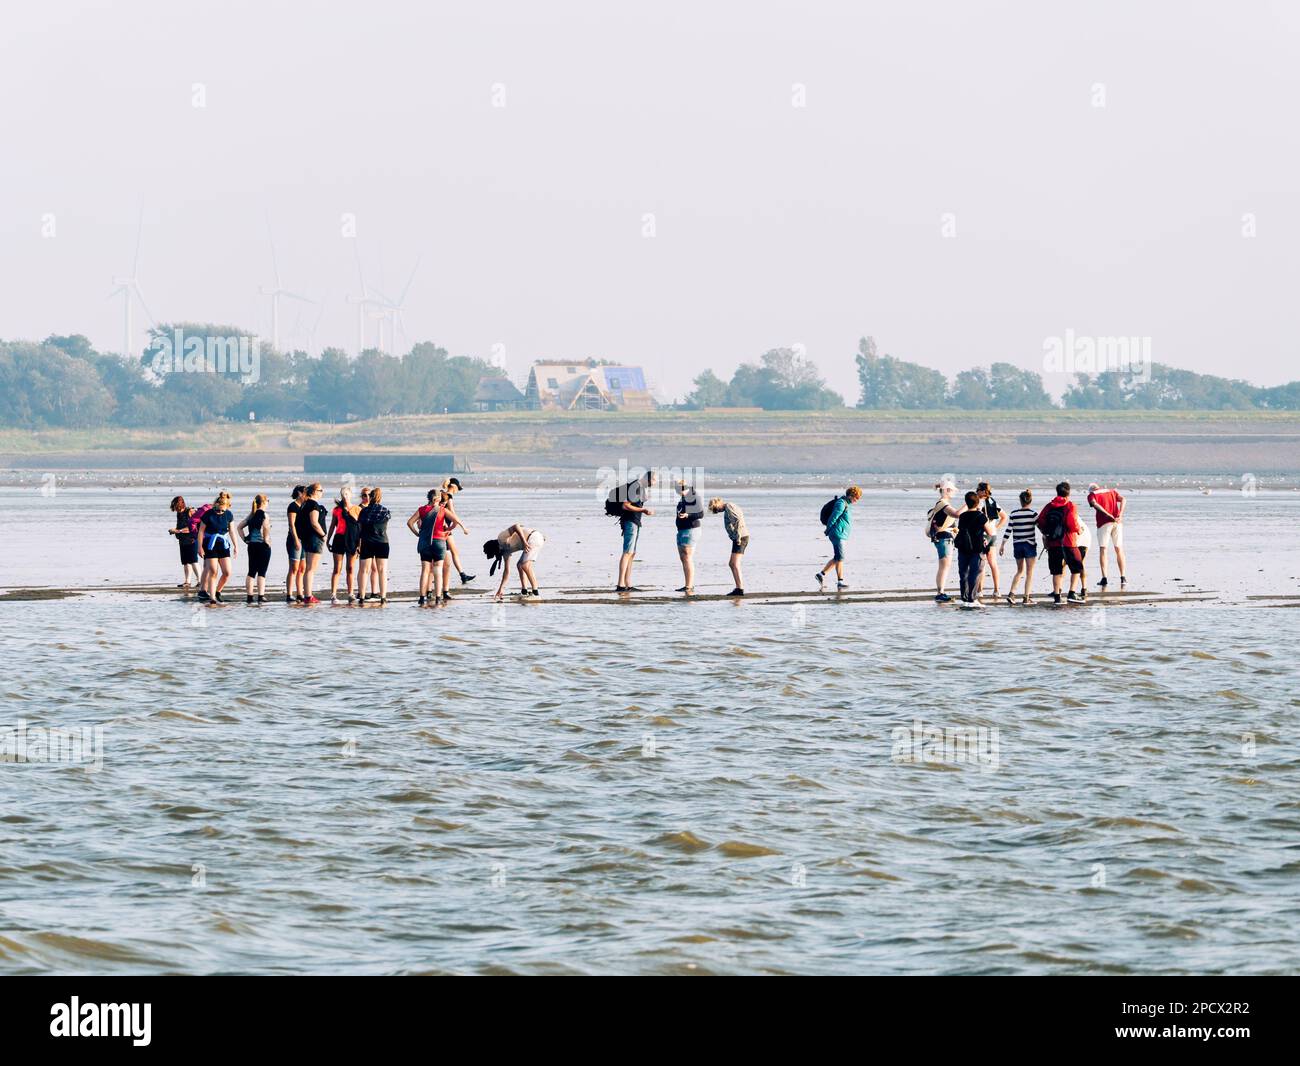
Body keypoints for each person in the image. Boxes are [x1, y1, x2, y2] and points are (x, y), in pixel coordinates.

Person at [1036, 481, 1086, 605]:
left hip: (1053, 543)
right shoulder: (1070, 506)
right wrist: (1079, 530)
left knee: (1056, 571)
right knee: (1077, 568)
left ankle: (1057, 597)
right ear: (1068, 493)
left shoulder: (1049, 506)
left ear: (1057, 492)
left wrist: (1046, 533)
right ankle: (1072, 593)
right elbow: (1071, 523)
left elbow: (1040, 521)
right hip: (1069, 542)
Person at [613, 469, 655, 592]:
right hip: (630, 522)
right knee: (627, 552)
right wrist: (643, 510)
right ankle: (620, 585)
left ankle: (627, 584)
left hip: (635, 522)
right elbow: (625, 505)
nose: (655, 482)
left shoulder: (639, 487)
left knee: (632, 553)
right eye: (654, 480)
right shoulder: (636, 486)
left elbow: (634, 502)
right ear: (648, 479)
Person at [954, 490, 995, 606]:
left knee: (963, 573)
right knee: (975, 572)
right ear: (977, 503)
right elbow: (990, 532)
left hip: (963, 547)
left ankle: (964, 597)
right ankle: (972, 598)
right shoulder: (980, 516)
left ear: (966, 503)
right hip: (977, 548)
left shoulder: (962, 516)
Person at [816, 485, 861, 590]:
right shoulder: (841, 503)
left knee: (838, 557)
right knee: (840, 557)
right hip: (837, 534)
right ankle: (840, 581)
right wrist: (828, 530)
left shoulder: (846, 504)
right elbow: (833, 517)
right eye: (856, 498)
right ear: (851, 495)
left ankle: (821, 575)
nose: (857, 500)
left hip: (842, 534)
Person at [486, 523, 546, 600]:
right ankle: (524, 592)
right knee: (519, 565)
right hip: (532, 540)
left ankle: (536, 594)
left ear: (494, 548)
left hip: (534, 538)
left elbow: (516, 526)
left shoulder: (501, 538)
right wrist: (501, 589)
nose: (496, 556)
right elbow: (506, 571)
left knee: (525, 565)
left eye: (494, 554)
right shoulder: (504, 551)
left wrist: (524, 542)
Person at [197, 491, 238, 604]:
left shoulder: (229, 515)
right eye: (217, 510)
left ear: (227, 507)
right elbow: (201, 532)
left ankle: (217, 591)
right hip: (210, 545)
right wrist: (199, 547)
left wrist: (236, 546)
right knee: (213, 571)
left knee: (227, 572)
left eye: (222, 511)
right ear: (215, 505)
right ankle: (213, 598)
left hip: (223, 545)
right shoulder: (208, 514)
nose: (220, 512)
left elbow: (232, 531)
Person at [999, 489, 1038, 605]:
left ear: (1020, 501)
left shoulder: (1014, 514)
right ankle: (1026, 597)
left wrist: (1002, 545)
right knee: (1029, 572)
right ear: (1030, 501)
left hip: (1017, 545)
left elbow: (1008, 530)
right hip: (1029, 545)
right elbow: (1041, 528)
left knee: (1019, 570)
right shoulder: (1033, 514)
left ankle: (1012, 594)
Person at [1086, 482, 1127, 588]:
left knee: (1103, 549)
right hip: (1117, 522)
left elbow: (1094, 504)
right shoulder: (1111, 491)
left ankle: (1104, 578)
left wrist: (1107, 514)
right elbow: (1123, 499)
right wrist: (1120, 514)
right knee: (1119, 548)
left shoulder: (1092, 495)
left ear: (1090, 490)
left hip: (1104, 523)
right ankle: (1123, 577)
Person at [327, 485, 361, 605]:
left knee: (350, 568)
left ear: (351, 495)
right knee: (337, 568)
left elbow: (360, 529)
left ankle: (351, 593)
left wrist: (359, 545)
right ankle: (333, 594)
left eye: (347, 494)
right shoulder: (337, 510)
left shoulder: (357, 509)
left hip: (352, 540)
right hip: (339, 539)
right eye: (343, 495)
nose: (345, 497)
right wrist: (328, 539)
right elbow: (332, 526)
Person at [356, 486, 391, 604]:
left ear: (370, 497)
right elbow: (385, 522)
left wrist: (358, 542)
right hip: (382, 542)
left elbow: (359, 528)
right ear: (380, 498)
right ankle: (383, 597)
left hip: (367, 542)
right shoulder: (385, 511)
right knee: (382, 570)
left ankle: (361, 596)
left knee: (363, 570)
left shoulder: (364, 511)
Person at [925, 481, 959, 602]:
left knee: (944, 565)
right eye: (952, 490)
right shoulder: (943, 504)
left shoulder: (941, 504)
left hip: (943, 537)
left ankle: (941, 592)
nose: (954, 493)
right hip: (944, 538)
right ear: (947, 490)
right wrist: (969, 505)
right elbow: (956, 514)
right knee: (944, 566)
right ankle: (940, 593)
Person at [708, 497, 748, 597]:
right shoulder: (729, 507)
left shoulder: (729, 506)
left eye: (715, 509)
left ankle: (740, 589)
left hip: (741, 537)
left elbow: (737, 519)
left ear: (718, 503)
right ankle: (739, 588)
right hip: (741, 537)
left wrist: (737, 537)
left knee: (733, 564)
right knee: (733, 564)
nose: (717, 511)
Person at [440, 478, 476, 585]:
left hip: (446, 528)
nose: (457, 491)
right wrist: (463, 527)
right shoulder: (449, 497)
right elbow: (453, 515)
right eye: (457, 488)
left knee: (454, 552)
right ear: (454, 487)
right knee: (445, 554)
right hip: (443, 529)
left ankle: (463, 575)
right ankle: (436, 575)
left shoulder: (442, 495)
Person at [974, 481, 1007, 598]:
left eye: (978, 490)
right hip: (993, 535)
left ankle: (979, 591)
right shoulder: (993, 502)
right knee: (993, 563)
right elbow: (1004, 517)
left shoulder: (979, 503)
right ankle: (997, 590)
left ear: (982, 491)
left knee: (981, 564)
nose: (976, 492)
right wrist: (996, 528)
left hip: (983, 535)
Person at [297, 483, 328, 605]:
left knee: (308, 568)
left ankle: (307, 595)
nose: (322, 492)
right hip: (314, 538)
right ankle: (308, 595)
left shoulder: (305, 504)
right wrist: (323, 535)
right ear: (315, 491)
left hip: (307, 538)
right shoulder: (313, 505)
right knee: (311, 569)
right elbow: (314, 522)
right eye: (321, 490)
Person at [238, 494, 272, 603]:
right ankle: (261, 596)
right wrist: (266, 540)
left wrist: (245, 539)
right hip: (262, 546)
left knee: (251, 571)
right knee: (262, 572)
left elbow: (239, 527)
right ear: (264, 502)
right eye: (268, 501)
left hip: (252, 545)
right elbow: (266, 528)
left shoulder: (251, 515)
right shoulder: (265, 515)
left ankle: (250, 596)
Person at [674, 480, 704, 594]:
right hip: (681, 530)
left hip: (691, 529)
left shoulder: (694, 496)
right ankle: (687, 584)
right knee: (683, 558)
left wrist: (688, 515)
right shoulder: (683, 498)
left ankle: (689, 586)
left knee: (687, 557)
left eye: (681, 490)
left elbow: (701, 514)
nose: (679, 493)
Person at [167, 496, 201, 589]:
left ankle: (200, 581)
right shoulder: (179, 513)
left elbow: (193, 527)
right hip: (182, 540)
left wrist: (178, 531)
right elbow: (180, 526)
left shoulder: (189, 511)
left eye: (175, 507)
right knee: (186, 562)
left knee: (194, 560)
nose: (175, 510)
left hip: (192, 539)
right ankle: (187, 582)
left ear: (179, 505)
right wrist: (175, 531)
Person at [285, 485, 306, 603]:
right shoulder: (293, 506)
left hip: (304, 539)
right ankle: (289, 594)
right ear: (299, 493)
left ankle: (300, 593)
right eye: (305, 493)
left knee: (302, 568)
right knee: (294, 568)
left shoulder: (304, 506)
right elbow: (291, 525)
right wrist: (296, 540)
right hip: (294, 540)